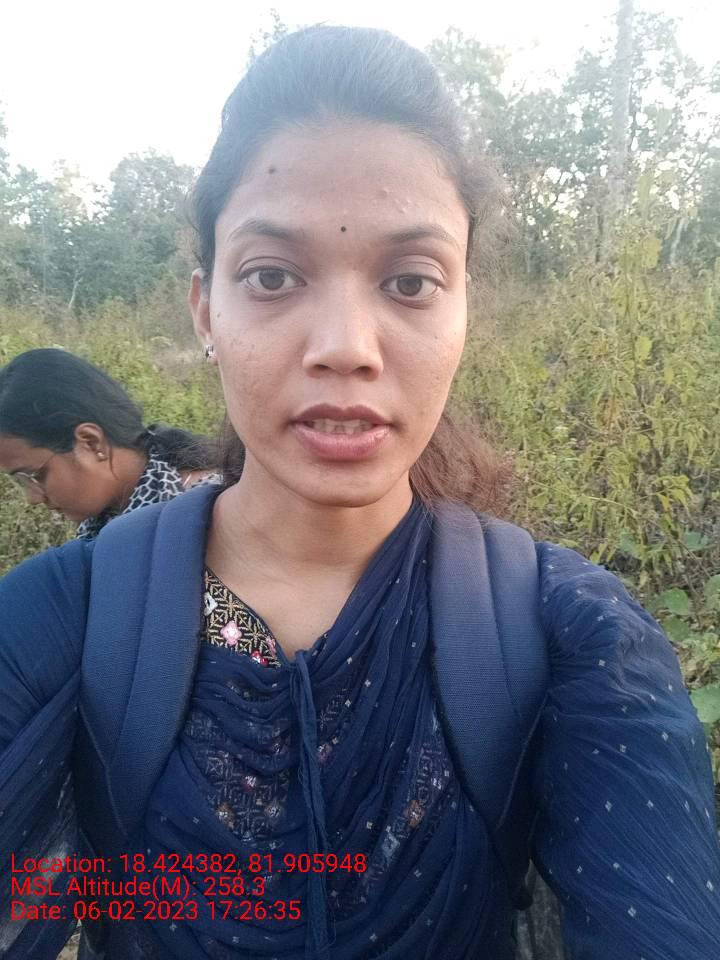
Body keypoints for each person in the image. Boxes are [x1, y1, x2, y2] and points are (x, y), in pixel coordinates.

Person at [1, 25, 719, 960]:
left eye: (411, 281)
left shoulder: (574, 634)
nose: (346, 345)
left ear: (465, 310)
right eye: (271, 276)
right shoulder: (55, 623)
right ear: (205, 309)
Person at [0, 348, 221, 538]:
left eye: (34, 476)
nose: (32, 498)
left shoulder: (207, 511)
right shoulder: (100, 526)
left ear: (91, 442)